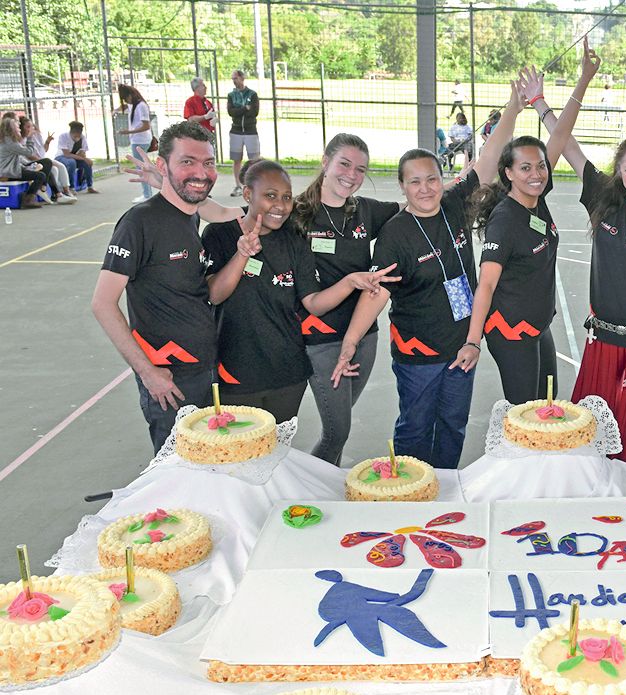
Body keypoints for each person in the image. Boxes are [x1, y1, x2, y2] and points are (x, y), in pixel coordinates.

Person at [126, 133, 405, 465]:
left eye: (361, 168)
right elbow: (223, 231)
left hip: (323, 352)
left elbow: (418, 202)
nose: (352, 174)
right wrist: (167, 183)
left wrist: (454, 184)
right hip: (274, 355)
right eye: (344, 163)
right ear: (325, 163)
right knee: (266, 444)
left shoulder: (333, 220)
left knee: (286, 445)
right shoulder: (267, 220)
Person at [330, 82, 524, 469]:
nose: (425, 188)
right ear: (402, 186)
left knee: (453, 426)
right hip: (418, 354)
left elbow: (486, 160)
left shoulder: (453, 204)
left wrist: (513, 110)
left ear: (442, 179)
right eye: (415, 181)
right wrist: (350, 342)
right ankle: (413, 493)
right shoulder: (395, 234)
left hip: (462, 347)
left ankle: (447, 492)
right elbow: (376, 294)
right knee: (415, 430)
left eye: (432, 178)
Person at [522, 60, 626, 466]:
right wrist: (541, 103)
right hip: (602, 343)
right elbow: (569, 146)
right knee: (589, 435)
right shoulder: (604, 198)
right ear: (619, 172)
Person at [201, 160, 397, 422]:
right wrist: (242, 254)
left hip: (287, 373)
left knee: (280, 451)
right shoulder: (219, 234)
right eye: (270, 196)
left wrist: (350, 281)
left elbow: (314, 303)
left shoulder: (294, 239)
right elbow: (214, 294)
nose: (280, 206)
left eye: (287, 197)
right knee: (239, 452)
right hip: (236, 370)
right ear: (248, 194)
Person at [464, 51, 585, 404]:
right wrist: (473, 341)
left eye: (540, 167)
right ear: (509, 174)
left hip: (537, 326)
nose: (536, 174)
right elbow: (485, 286)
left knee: (549, 402)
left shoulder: (537, 197)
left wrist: (578, 83)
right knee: (524, 415)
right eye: (526, 168)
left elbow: (561, 136)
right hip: (511, 330)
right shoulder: (505, 219)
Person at [92, 121, 219, 452]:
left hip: (205, 367)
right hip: (169, 379)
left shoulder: (191, 214)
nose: (201, 173)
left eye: (208, 162)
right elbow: (103, 304)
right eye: (187, 161)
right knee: (173, 475)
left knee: (207, 464)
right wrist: (148, 372)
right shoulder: (138, 223)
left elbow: (227, 211)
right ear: (163, 165)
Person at [20, 116, 76, 201]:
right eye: (28, 127)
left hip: (34, 161)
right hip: (26, 163)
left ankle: (58, 193)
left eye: (32, 127)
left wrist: (47, 142)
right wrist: (40, 161)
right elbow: (28, 154)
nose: (32, 129)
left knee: (55, 167)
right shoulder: (22, 139)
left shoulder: (34, 136)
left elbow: (43, 150)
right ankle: (50, 191)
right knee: (50, 167)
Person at [116, 84, 154, 203]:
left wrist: (129, 131)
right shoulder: (134, 105)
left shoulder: (141, 106)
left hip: (140, 140)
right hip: (138, 140)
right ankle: (147, 193)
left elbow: (146, 125)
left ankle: (147, 194)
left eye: (126, 98)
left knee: (141, 167)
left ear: (130, 95)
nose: (126, 101)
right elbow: (125, 106)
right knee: (142, 166)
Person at [0, 117, 49, 208]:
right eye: (17, 127)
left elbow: (19, 157)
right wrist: (30, 138)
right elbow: (29, 152)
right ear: (11, 129)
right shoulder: (10, 142)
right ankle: (28, 200)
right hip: (9, 172)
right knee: (40, 176)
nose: (19, 129)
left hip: (9, 170)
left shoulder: (6, 140)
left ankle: (39, 191)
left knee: (44, 164)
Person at [227, 70, 260, 197]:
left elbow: (254, 111)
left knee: (254, 159)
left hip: (250, 130)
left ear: (242, 78)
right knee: (237, 159)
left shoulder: (252, 94)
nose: (234, 81)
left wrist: (241, 110)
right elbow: (231, 112)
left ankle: (255, 184)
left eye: (235, 78)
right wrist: (244, 108)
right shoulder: (231, 95)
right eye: (232, 79)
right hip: (236, 131)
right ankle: (238, 185)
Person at [56, 121, 97, 194]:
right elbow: (67, 154)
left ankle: (90, 186)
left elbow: (83, 153)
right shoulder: (63, 136)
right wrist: (84, 158)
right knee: (72, 162)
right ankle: (71, 187)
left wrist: (85, 158)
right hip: (61, 157)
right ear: (71, 133)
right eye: (75, 136)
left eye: (79, 135)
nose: (77, 137)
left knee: (87, 163)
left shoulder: (82, 138)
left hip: (75, 157)